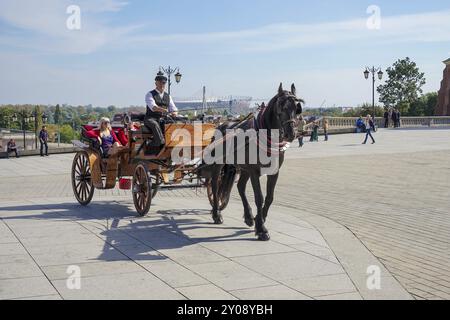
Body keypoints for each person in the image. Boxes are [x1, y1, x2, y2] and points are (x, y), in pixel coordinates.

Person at [144, 74, 178, 150]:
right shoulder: (149, 94)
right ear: (156, 83)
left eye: (163, 83)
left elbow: (173, 108)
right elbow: (153, 107)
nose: (161, 85)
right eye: (160, 83)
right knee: (154, 124)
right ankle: (157, 143)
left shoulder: (168, 96)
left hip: (163, 119)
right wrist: (163, 110)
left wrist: (174, 113)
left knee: (177, 122)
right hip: (151, 118)